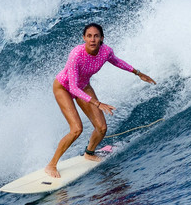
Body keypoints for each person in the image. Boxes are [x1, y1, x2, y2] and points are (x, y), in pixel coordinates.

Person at [46, 23, 156, 178]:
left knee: (102, 127)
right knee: (76, 129)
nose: (92, 39)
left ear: (101, 38)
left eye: (96, 36)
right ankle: (51, 165)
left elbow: (117, 61)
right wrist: (97, 103)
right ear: (84, 38)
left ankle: (89, 152)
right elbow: (73, 88)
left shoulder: (105, 51)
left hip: (83, 86)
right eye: (89, 36)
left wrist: (137, 73)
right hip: (64, 87)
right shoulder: (76, 54)